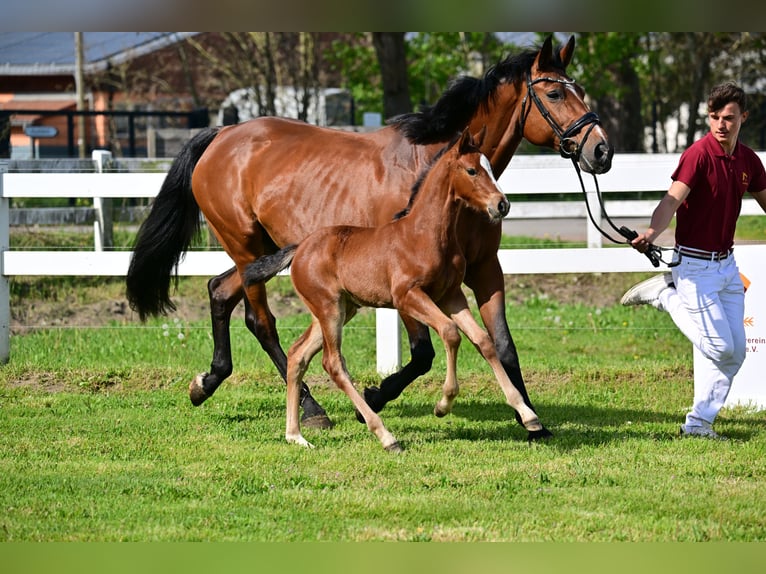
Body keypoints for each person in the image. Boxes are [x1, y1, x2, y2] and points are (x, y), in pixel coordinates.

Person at [620, 81, 766, 439]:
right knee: (720, 346)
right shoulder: (698, 155)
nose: (720, 124)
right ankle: (666, 296)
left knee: (734, 355)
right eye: (714, 117)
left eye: (728, 118)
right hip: (694, 267)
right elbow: (671, 200)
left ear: (742, 117)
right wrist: (653, 232)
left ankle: (699, 424)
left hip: (727, 266)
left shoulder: (748, 160)